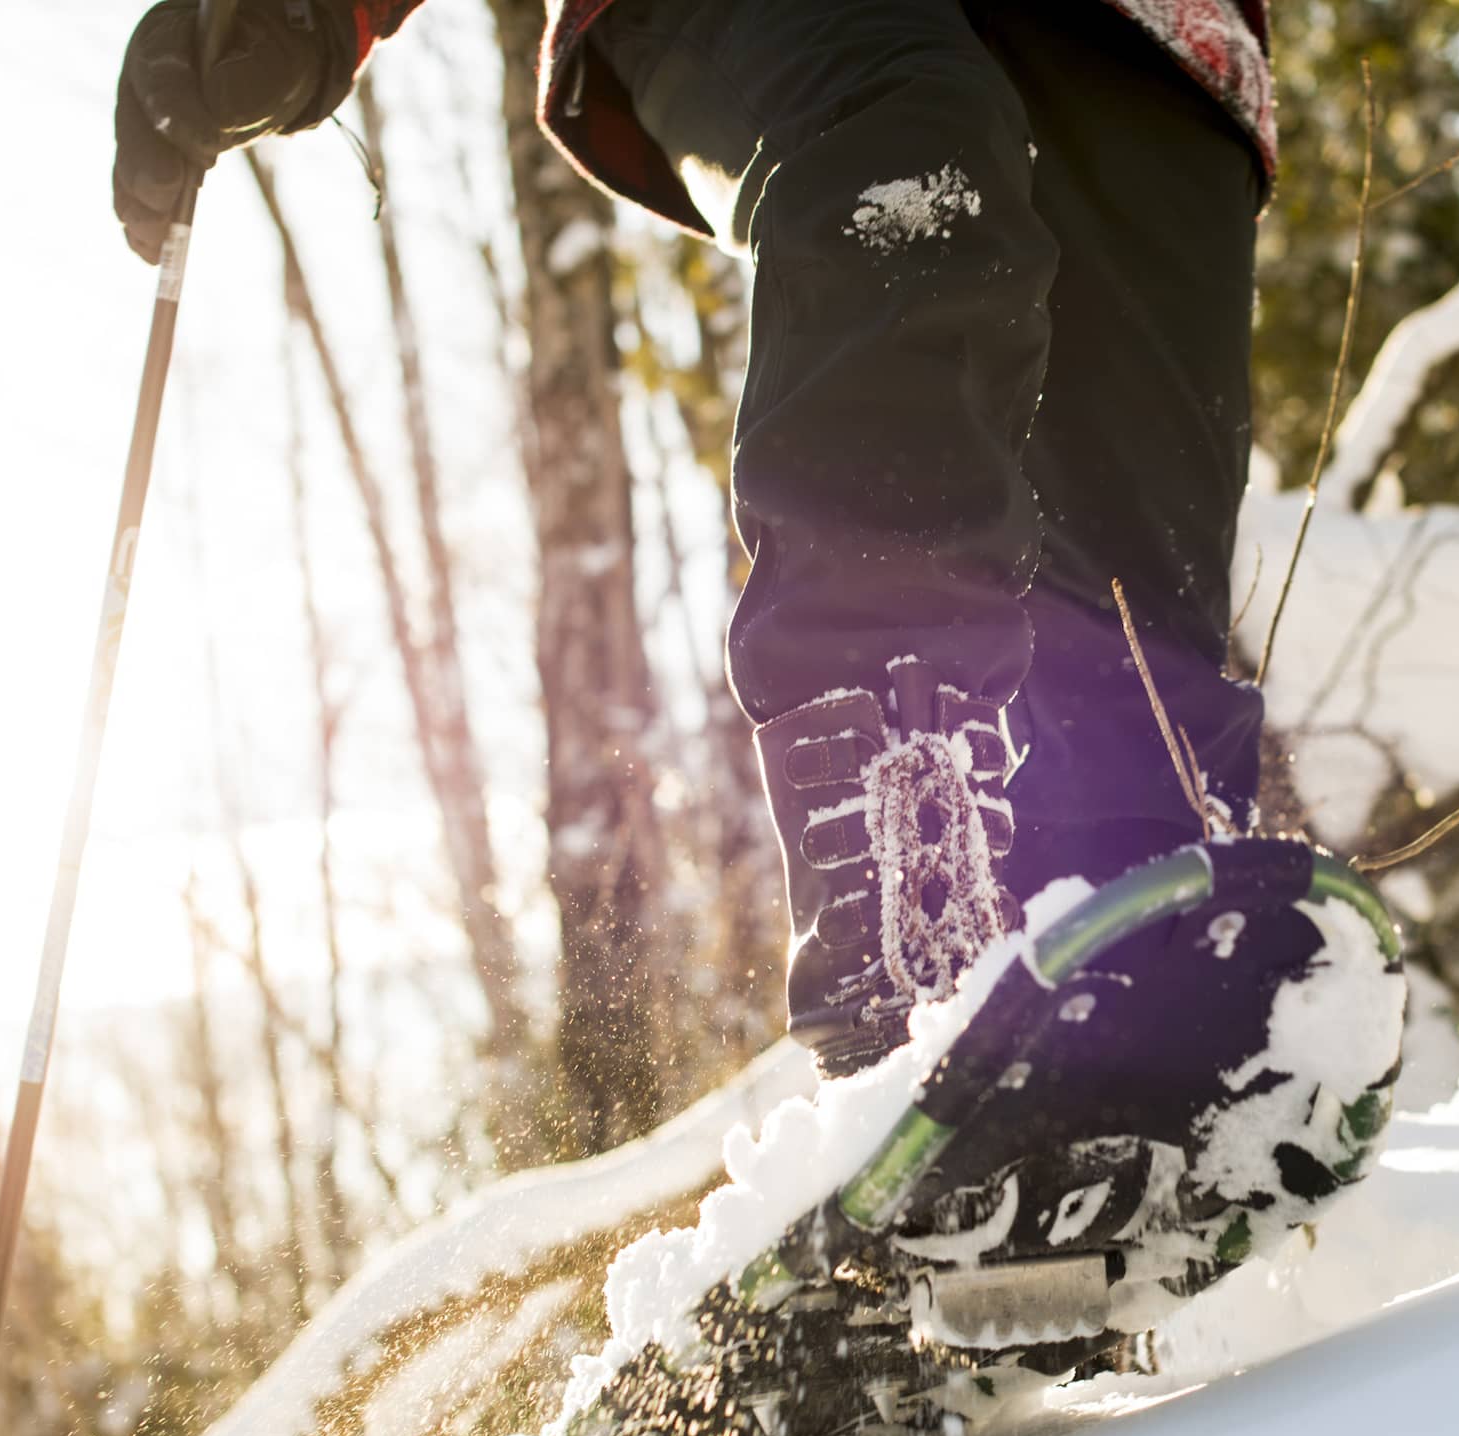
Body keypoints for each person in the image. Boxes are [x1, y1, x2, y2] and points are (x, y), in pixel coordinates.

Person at [114, 0, 1276, 1080]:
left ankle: (1132, 1021)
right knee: (905, 148)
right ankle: (910, 954)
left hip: (1147, 34)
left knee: (1135, 544)